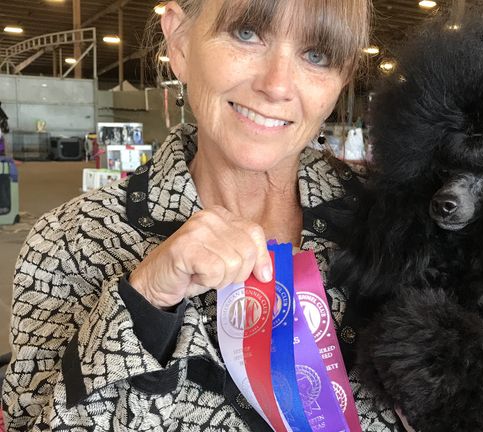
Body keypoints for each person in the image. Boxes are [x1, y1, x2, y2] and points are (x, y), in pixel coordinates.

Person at [1, 0, 406, 430]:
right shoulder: (69, 241)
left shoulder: (403, 228)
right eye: (247, 34)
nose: (277, 85)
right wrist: (144, 305)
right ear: (179, 41)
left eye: (317, 55)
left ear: (341, 80)